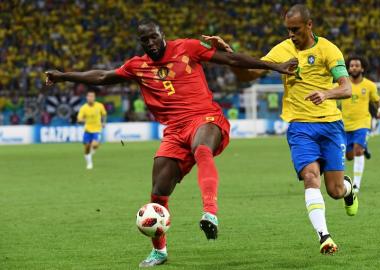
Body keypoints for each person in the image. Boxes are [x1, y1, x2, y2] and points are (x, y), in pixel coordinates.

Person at [45, 18, 297, 267]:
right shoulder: (137, 66)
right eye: (145, 40)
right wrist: (64, 76)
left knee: (202, 150)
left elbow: (231, 59)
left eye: (154, 37)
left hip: (205, 117)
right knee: (158, 192)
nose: (151, 43)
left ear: (162, 34)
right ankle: (159, 251)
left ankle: (210, 212)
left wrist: (275, 66)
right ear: (140, 43)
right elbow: (102, 76)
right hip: (175, 131)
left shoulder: (188, 47)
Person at [206, 4, 358, 255]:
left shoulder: (329, 49)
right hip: (300, 127)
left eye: (295, 29)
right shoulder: (282, 49)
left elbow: (346, 88)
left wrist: (326, 93)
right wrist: (231, 56)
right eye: (288, 30)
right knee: (310, 177)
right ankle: (325, 237)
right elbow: (249, 75)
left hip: (331, 125)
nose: (291, 35)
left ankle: (349, 188)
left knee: (335, 190)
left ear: (309, 25)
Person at [342, 56, 380, 193]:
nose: (353, 67)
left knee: (357, 151)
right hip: (345, 124)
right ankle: (364, 148)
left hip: (363, 123)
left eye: (356, 65)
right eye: (351, 65)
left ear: (362, 68)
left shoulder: (370, 85)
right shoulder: (343, 84)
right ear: (348, 68)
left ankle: (356, 185)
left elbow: (377, 100)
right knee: (349, 156)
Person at [77, 90, 107, 170]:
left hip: (97, 129)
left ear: (94, 97)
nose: (90, 98)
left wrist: (103, 122)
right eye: (89, 96)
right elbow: (79, 119)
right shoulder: (84, 108)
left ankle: (90, 159)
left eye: (92, 96)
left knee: (94, 145)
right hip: (87, 130)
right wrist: (82, 120)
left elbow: (104, 114)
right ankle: (89, 162)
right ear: (86, 98)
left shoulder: (99, 106)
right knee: (87, 148)